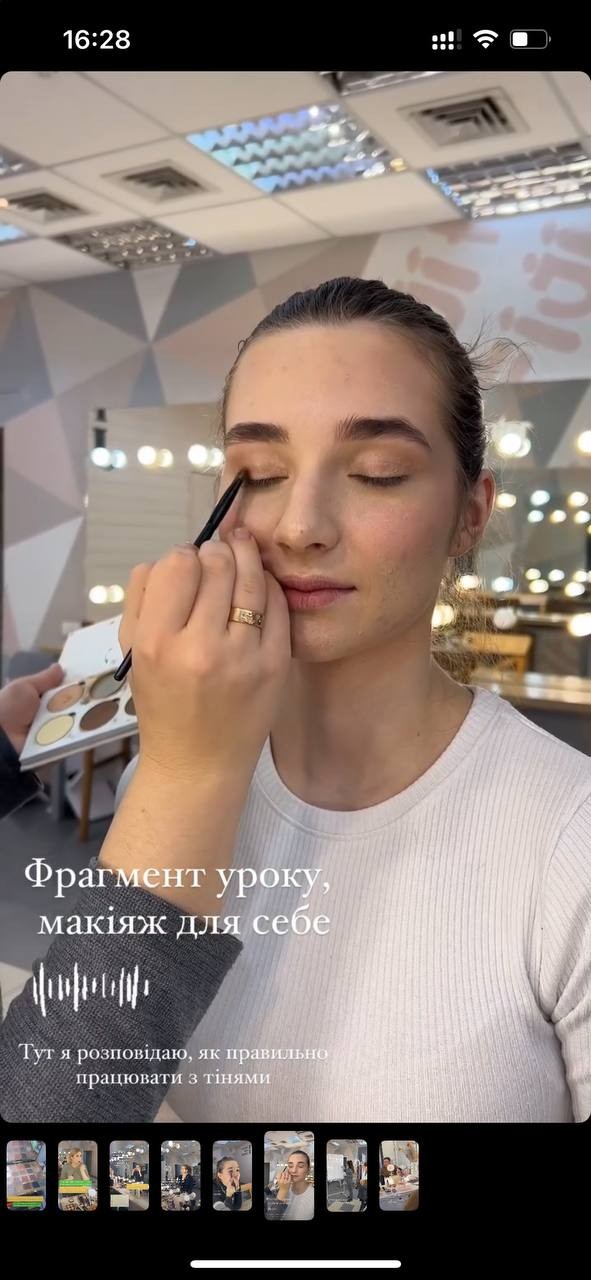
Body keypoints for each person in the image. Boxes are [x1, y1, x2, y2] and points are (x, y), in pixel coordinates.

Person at [1, 275, 590, 1126]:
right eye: (260, 472)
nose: (299, 526)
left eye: (378, 473)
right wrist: (180, 773)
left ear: (470, 514)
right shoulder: (166, 788)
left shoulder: (568, 845)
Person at [275, 1150, 314, 1220]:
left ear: (308, 1169)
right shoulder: (282, 1190)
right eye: (290, 1166)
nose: (294, 1170)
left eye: (300, 1166)